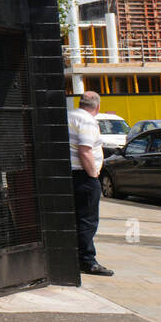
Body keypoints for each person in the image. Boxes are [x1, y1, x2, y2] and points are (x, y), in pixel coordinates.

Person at [69, 91, 113, 276]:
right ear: (98, 106)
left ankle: (74, 257)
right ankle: (87, 261)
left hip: (69, 175)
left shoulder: (70, 115)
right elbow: (85, 150)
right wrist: (93, 174)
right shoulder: (87, 121)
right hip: (83, 176)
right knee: (88, 220)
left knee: (75, 218)